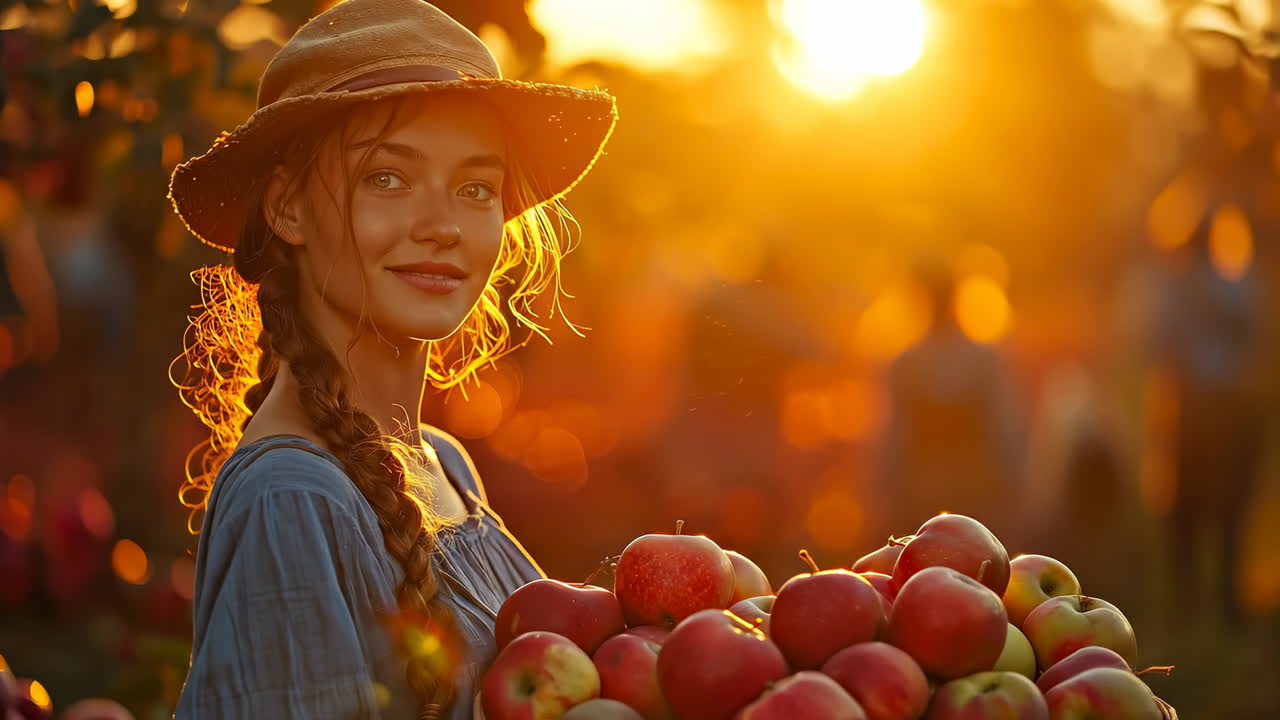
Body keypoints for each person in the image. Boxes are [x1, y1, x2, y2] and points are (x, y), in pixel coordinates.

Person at [165, 1, 616, 717]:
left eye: (475, 189)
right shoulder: (293, 499)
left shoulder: (442, 463)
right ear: (286, 207)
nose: (441, 226)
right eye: (388, 178)